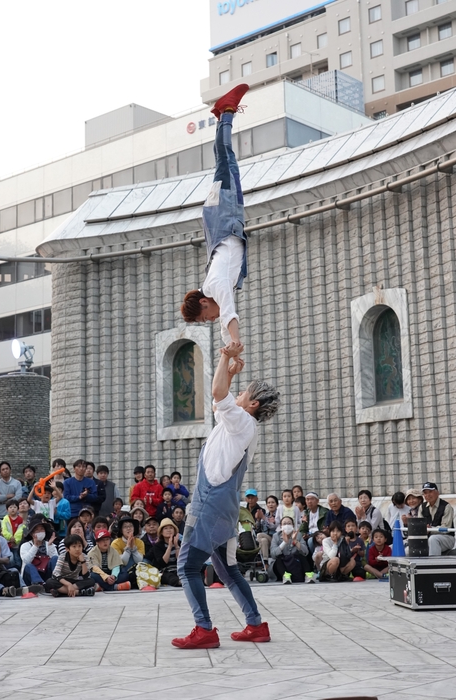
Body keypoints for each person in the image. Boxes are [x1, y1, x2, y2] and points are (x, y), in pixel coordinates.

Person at [173, 341, 280, 649]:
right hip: (225, 506)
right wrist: (230, 373)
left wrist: (224, 355)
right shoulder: (239, 424)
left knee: (187, 567)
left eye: (244, 392)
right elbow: (218, 402)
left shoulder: (242, 421)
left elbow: (218, 394)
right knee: (228, 569)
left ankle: (204, 629)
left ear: (253, 404)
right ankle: (255, 625)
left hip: (210, 503)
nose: (239, 393)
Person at [180, 84, 250, 349]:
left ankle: (227, 111)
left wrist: (236, 342)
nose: (210, 320)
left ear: (203, 302)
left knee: (226, 158)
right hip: (221, 217)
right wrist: (231, 352)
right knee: (225, 160)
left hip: (224, 213)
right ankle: (222, 115)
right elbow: (224, 322)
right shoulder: (213, 287)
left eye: (205, 316)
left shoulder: (217, 285)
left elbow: (228, 313)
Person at [270, 516, 311, 584]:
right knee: (278, 558)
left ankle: (308, 575)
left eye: (289, 523)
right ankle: (286, 576)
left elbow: (306, 552)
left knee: (302, 556)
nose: (287, 526)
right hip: (282, 564)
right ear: (281, 526)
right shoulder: (276, 536)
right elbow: (273, 554)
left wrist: (296, 541)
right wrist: (284, 543)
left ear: (293, 525)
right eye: (284, 524)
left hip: (295, 563)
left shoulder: (298, 535)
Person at [418, 482, 455, 556]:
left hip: (447, 537)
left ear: (437, 493)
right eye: (425, 493)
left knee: (433, 539)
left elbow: (445, 528)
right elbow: (420, 524)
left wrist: (430, 529)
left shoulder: (446, 506)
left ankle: (434, 562)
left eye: (430, 492)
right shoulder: (422, 507)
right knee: (409, 547)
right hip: (427, 537)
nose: (428, 495)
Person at [20, 520, 58, 586]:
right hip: (30, 575)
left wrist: (50, 546)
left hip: (46, 573)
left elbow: (57, 561)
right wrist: (35, 546)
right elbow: (26, 561)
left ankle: (57, 582)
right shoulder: (25, 545)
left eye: (42, 529)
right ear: (32, 533)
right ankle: (39, 584)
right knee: (28, 566)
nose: (40, 531)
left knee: (55, 558)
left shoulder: (49, 544)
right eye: (37, 530)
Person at [111, 517, 145, 584]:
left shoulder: (140, 542)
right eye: (125, 527)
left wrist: (133, 548)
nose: (128, 528)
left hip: (136, 567)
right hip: (122, 568)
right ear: (121, 530)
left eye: (130, 526)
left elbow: (139, 561)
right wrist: (128, 547)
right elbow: (123, 562)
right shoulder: (115, 543)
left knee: (145, 562)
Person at [151, 518, 182, 587]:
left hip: (178, 569)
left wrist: (176, 546)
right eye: (166, 528)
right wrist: (169, 547)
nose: (169, 530)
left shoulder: (180, 543)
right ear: (162, 532)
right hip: (165, 570)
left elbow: (180, 561)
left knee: (191, 573)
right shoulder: (158, 546)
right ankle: (180, 582)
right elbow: (163, 563)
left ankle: (205, 580)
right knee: (169, 577)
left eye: (171, 528)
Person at [255, 494, 278, 564]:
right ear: (266, 505)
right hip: (266, 539)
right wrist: (258, 519)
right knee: (263, 540)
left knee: (259, 535)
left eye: (273, 502)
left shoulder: (278, 515)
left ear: (277, 504)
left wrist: (263, 518)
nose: (270, 504)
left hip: (274, 539)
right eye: (269, 503)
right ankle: (265, 562)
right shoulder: (265, 515)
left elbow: (273, 527)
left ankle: (259, 555)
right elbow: (257, 528)